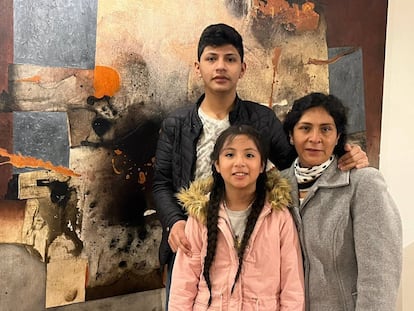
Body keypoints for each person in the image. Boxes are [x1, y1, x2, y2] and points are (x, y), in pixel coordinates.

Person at [152, 23, 368, 306]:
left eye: (230, 59)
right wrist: (175, 223)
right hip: (195, 244)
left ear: (242, 68)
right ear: (198, 66)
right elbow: (161, 184)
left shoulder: (261, 120)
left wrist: (345, 154)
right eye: (211, 58)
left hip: (257, 249)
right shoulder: (176, 124)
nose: (220, 67)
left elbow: (299, 163)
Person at [281, 92, 402, 311]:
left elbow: (380, 274)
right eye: (305, 128)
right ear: (291, 135)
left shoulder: (363, 184)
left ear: (338, 137)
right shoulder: (276, 187)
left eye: (326, 129)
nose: (315, 138)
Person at [168, 125, 304, 310]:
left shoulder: (278, 216)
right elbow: (183, 284)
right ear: (217, 164)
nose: (239, 162)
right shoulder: (201, 215)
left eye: (249, 155)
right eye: (230, 155)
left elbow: (292, 286)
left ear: (262, 165)